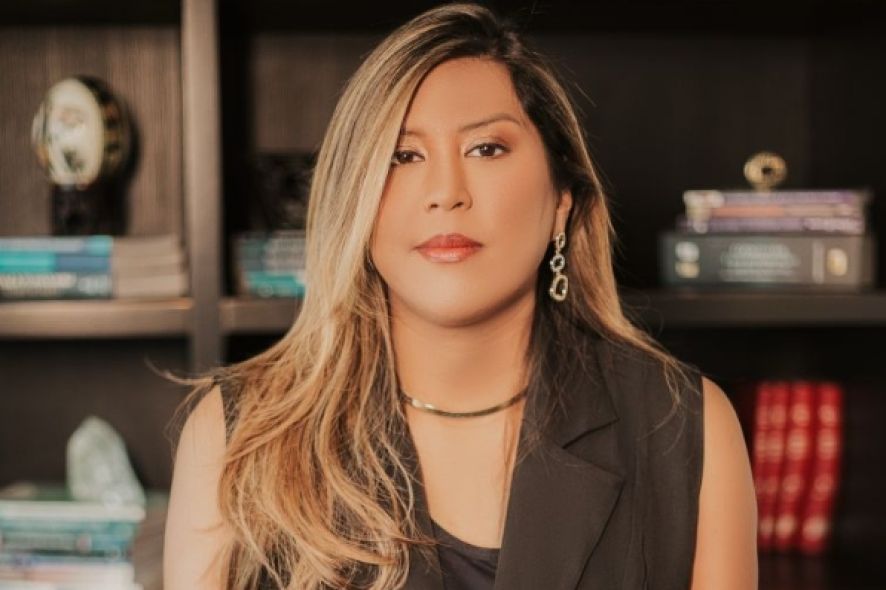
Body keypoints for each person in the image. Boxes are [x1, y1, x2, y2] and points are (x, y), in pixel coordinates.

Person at [163, 3, 758, 589]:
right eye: (403, 155)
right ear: (355, 200)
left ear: (562, 199)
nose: (446, 192)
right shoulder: (236, 435)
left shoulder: (684, 426)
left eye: (486, 149)